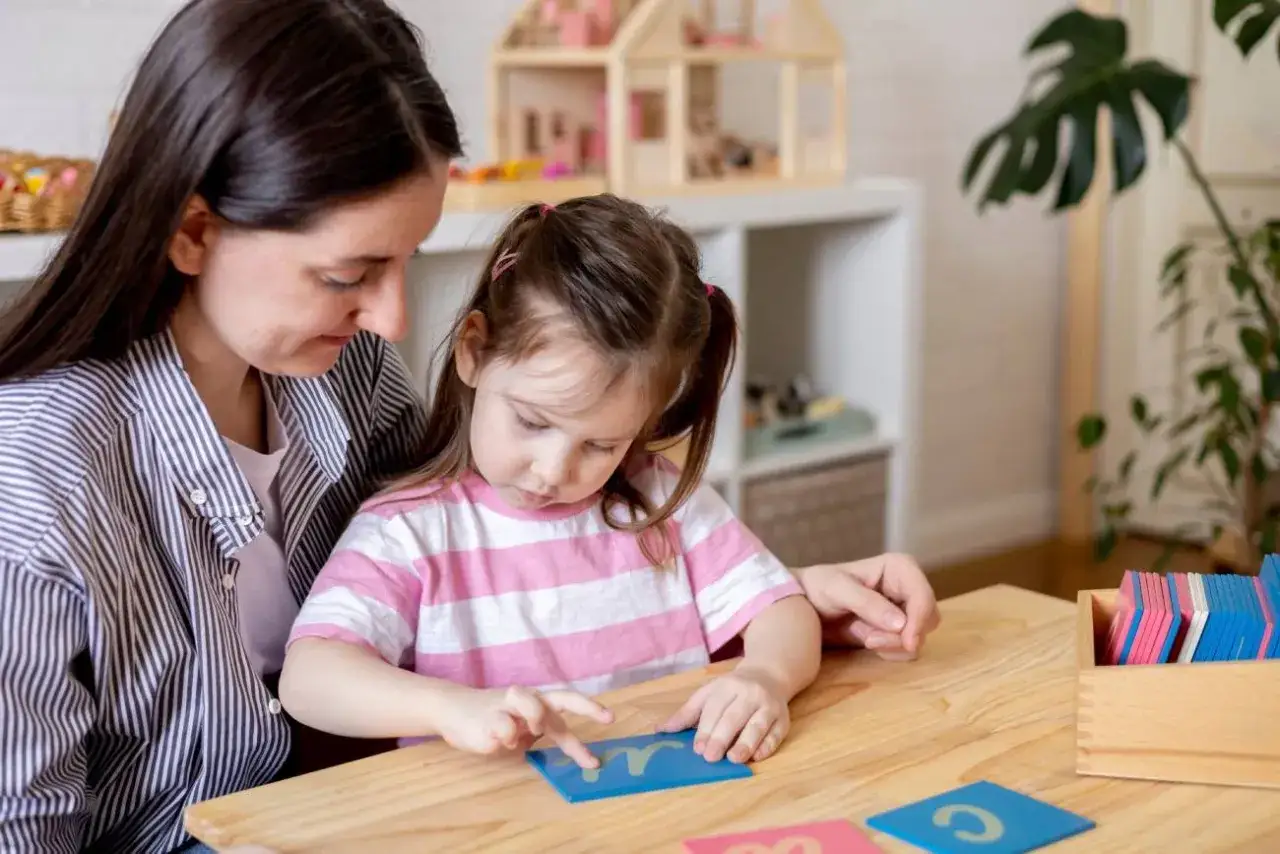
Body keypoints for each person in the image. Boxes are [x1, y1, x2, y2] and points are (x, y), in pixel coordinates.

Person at [0, 0, 938, 851]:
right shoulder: (38, 472)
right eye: (348, 273)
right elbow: (24, 822)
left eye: (408, 262)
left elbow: (497, 557)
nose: (395, 319)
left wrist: (779, 604)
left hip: (392, 806)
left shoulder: (342, 371)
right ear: (194, 231)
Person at [279, 196, 824, 769]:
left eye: (602, 444)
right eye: (533, 422)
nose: (553, 470)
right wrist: (449, 707)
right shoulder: (408, 531)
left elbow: (782, 610)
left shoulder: (661, 503)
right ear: (473, 352)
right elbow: (310, 676)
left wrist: (765, 677)